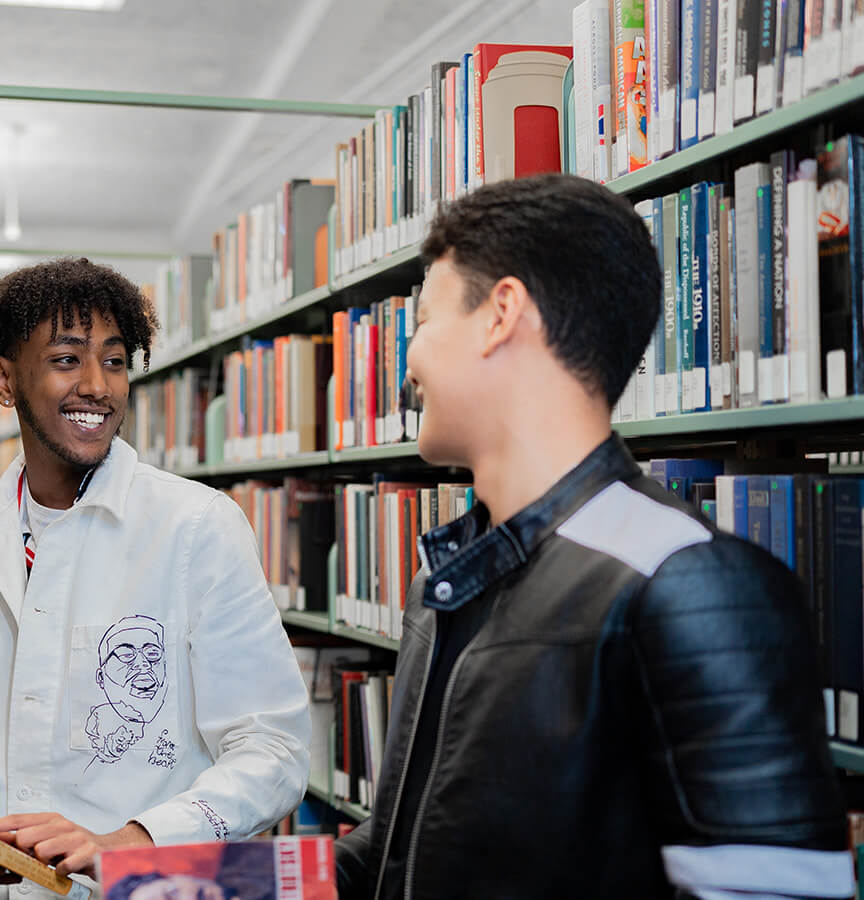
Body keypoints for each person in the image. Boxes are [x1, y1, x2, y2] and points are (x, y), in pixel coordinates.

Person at [333, 173, 850, 898]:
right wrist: (192, 878)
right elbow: (402, 851)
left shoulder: (687, 582)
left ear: (501, 314)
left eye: (422, 320)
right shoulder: (444, 582)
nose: (409, 362)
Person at [0, 257, 311, 896]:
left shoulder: (199, 528)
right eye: (65, 360)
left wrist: (133, 841)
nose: (97, 386)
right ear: (5, 380)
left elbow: (273, 747)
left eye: (114, 361)